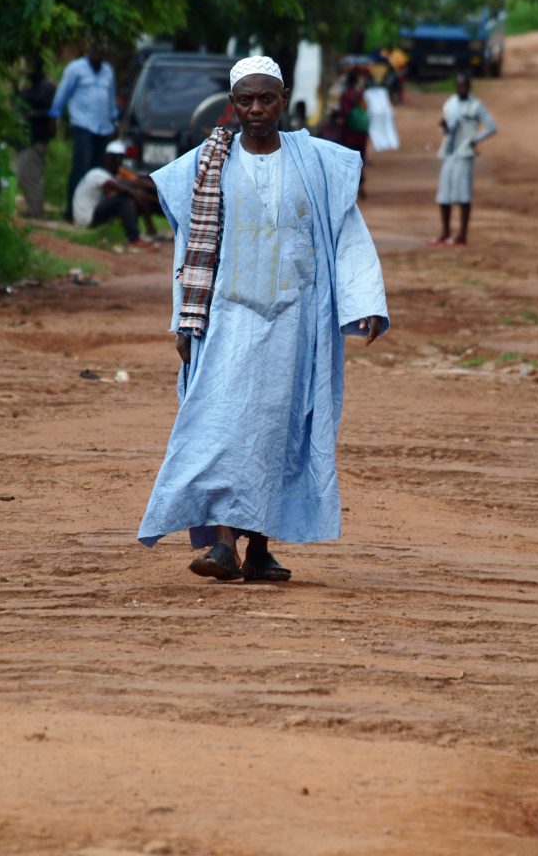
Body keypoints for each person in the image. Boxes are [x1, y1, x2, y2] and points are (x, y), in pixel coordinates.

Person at [137, 56, 389, 582]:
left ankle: (259, 550)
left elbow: (347, 234)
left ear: (283, 98)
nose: (256, 108)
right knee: (225, 426)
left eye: (266, 98)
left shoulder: (316, 162)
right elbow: (189, 250)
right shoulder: (206, 167)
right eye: (246, 99)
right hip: (228, 319)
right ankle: (223, 544)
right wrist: (184, 321)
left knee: (276, 433)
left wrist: (365, 300)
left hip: (296, 325)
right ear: (232, 104)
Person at [48, 41, 118, 221]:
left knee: (98, 172)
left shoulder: (108, 70)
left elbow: (110, 99)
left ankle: (94, 213)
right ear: (88, 51)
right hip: (82, 124)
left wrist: (114, 120)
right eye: (95, 51)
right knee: (81, 169)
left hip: (103, 127)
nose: (98, 55)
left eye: (101, 52)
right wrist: (54, 115)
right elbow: (62, 94)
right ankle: (71, 211)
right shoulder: (75, 69)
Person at [431, 72, 497, 246]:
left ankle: (462, 234)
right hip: (449, 152)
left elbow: (491, 127)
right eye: (460, 85)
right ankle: (445, 232)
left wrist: (475, 140)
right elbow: (446, 128)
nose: (462, 88)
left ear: (469, 86)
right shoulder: (450, 104)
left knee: (463, 193)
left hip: (465, 152)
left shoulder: (475, 105)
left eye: (465, 85)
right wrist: (443, 128)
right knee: (444, 193)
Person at [72, 140, 157, 250]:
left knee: (127, 199)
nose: (119, 162)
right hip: (86, 219)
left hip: (87, 216)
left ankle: (135, 234)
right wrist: (148, 222)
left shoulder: (106, 175)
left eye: (120, 159)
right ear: (108, 158)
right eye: (117, 158)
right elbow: (131, 192)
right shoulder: (98, 174)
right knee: (122, 200)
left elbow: (134, 185)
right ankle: (134, 238)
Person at [13, 59, 55, 218]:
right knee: (26, 175)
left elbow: (50, 113)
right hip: (28, 138)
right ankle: (33, 210)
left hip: (36, 138)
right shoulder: (30, 87)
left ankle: (36, 211)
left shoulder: (45, 88)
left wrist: (29, 115)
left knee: (31, 176)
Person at [363, 79, 400, 152]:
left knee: (377, 129)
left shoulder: (368, 93)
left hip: (375, 114)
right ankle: (388, 143)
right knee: (386, 128)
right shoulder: (382, 92)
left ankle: (381, 143)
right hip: (383, 113)